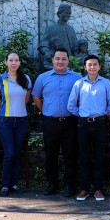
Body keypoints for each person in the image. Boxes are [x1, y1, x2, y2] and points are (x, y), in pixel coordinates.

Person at [33, 48, 81, 197]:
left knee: (70, 155)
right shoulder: (43, 77)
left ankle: (69, 185)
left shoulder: (77, 77)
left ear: (68, 60)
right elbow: (36, 97)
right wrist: (45, 110)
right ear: (53, 60)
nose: (60, 61)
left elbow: (81, 98)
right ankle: (52, 184)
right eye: (57, 58)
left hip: (70, 122)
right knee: (50, 154)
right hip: (50, 122)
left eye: (64, 59)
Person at [67, 55, 110, 201]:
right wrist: (83, 115)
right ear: (85, 67)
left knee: (99, 156)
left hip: (100, 124)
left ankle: (98, 189)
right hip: (83, 123)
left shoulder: (106, 83)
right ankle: (84, 189)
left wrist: (101, 115)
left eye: (95, 64)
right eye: (89, 65)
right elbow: (71, 105)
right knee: (84, 156)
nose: (92, 67)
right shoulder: (79, 84)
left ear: (99, 67)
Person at [0, 52, 32, 196]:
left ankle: (14, 184)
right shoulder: (0, 79)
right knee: (9, 153)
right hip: (6, 121)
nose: (14, 63)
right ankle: (5, 185)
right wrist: (4, 112)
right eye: (11, 60)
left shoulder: (26, 79)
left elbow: (26, 99)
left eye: (16, 60)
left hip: (21, 120)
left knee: (16, 153)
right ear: (6, 62)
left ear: (20, 63)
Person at [38, 4, 79, 69]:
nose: (68, 15)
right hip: (55, 63)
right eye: (66, 13)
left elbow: (76, 47)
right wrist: (46, 52)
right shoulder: (52, 28)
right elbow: (43, 43)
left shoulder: (71, 30)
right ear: (59, 14)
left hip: (70, 63)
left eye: (69, 13)